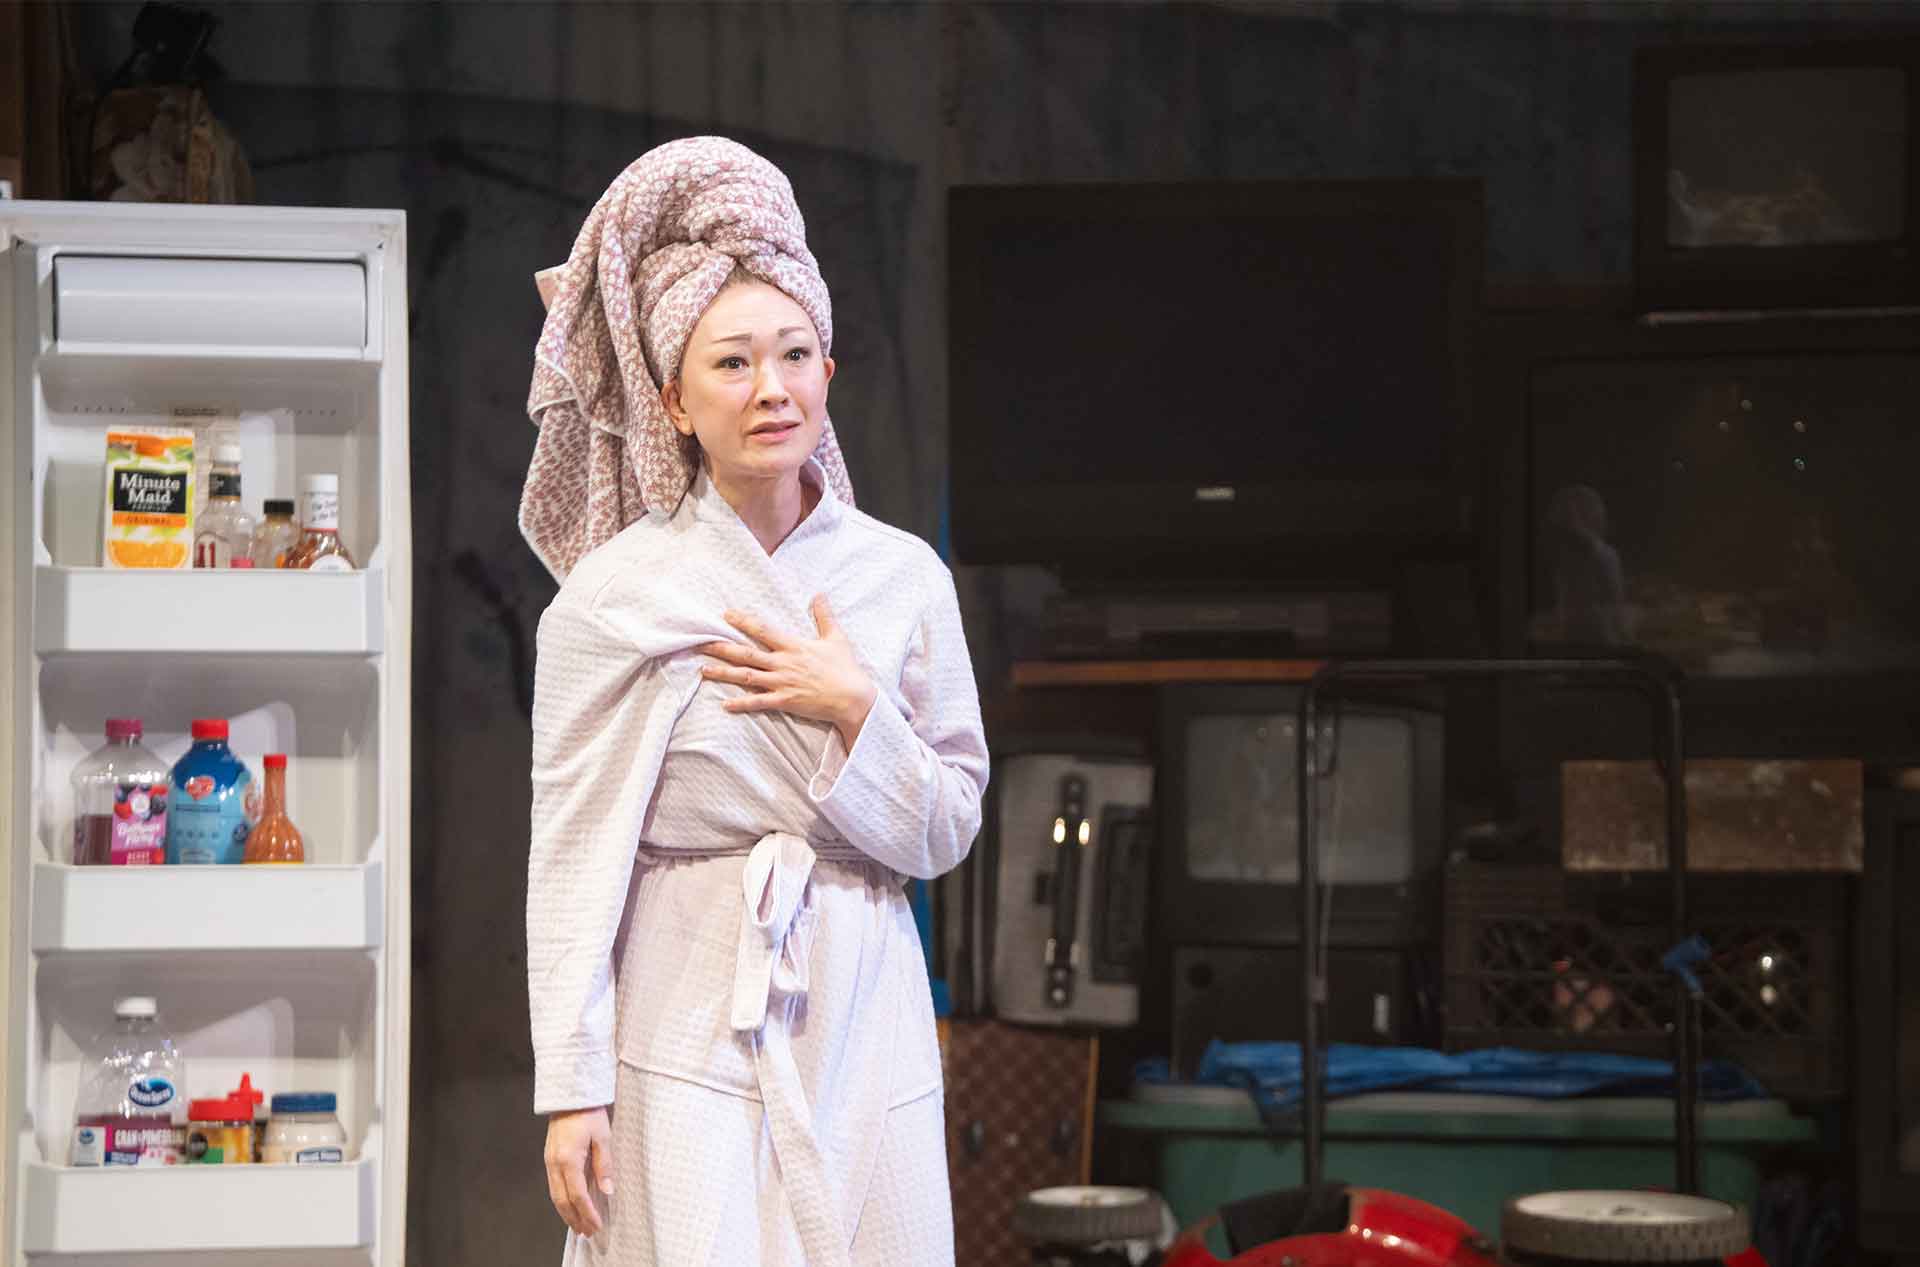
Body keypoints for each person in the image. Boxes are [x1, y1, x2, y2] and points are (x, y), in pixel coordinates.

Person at [520, 137, 988, 1267]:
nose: (769, 387)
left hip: (863, 997)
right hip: (684, 1002)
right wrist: (571, 1087)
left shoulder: (901, 577)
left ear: (829, 373)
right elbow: (575, 855)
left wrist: (856, 707)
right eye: (731, 364)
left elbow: (947, 826)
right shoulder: (612, 597)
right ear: (673, 400)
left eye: (794, 355)